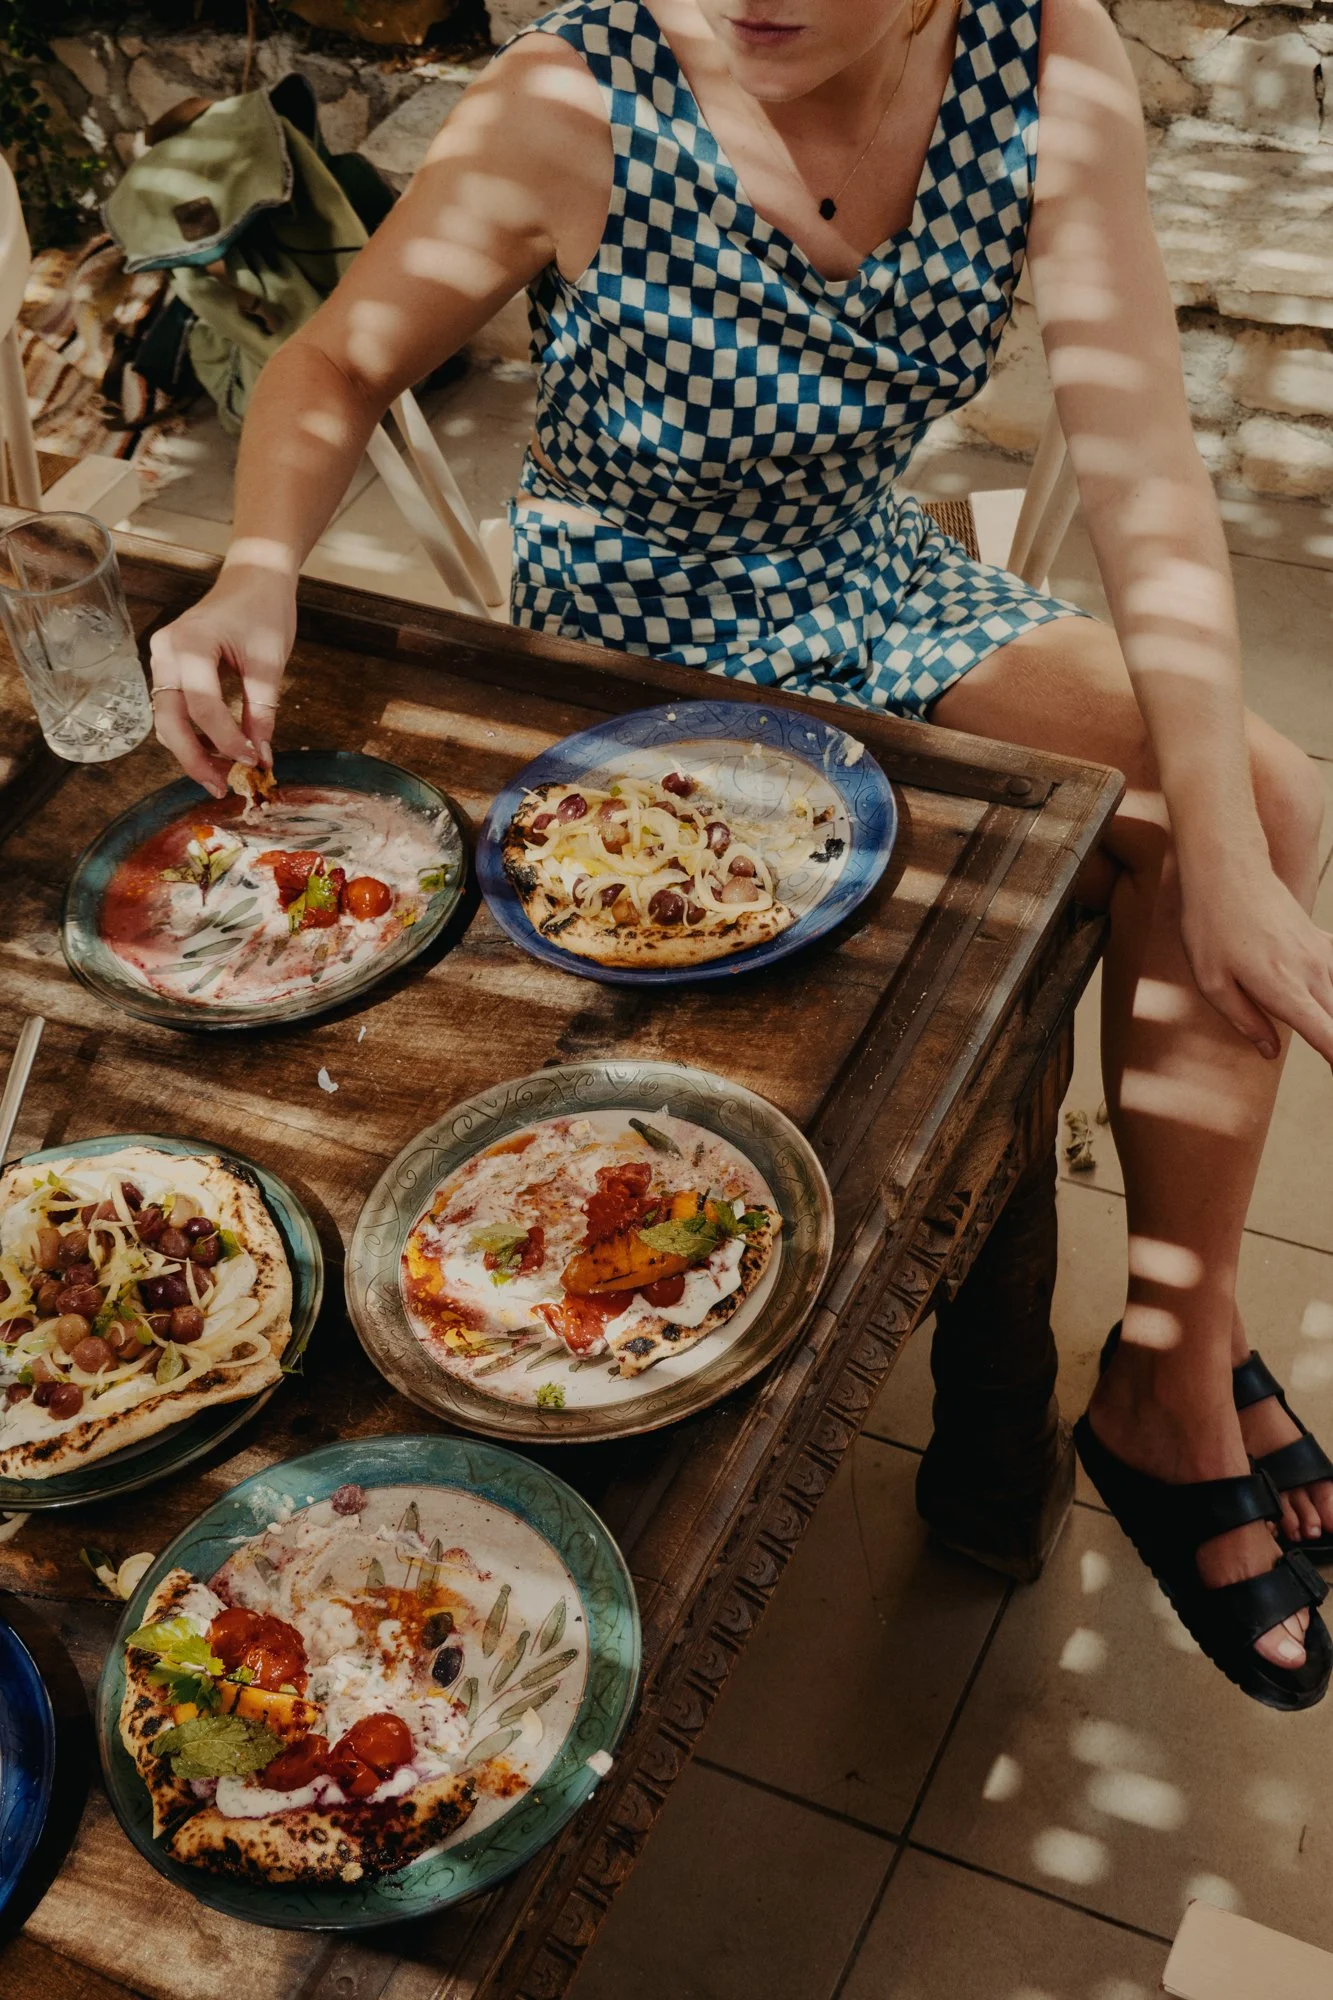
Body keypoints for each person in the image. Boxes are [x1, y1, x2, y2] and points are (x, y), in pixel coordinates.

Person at [146, 0, 1333, 1705]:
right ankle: (1177, 1371)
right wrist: (257, 561)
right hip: (642, 660)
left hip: (861, 578)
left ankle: (1173, 1353)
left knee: (1265, 804)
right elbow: (334, 361)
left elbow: (1149, 477)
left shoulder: (1043, 65)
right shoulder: (573, 96)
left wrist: (1217, 839)